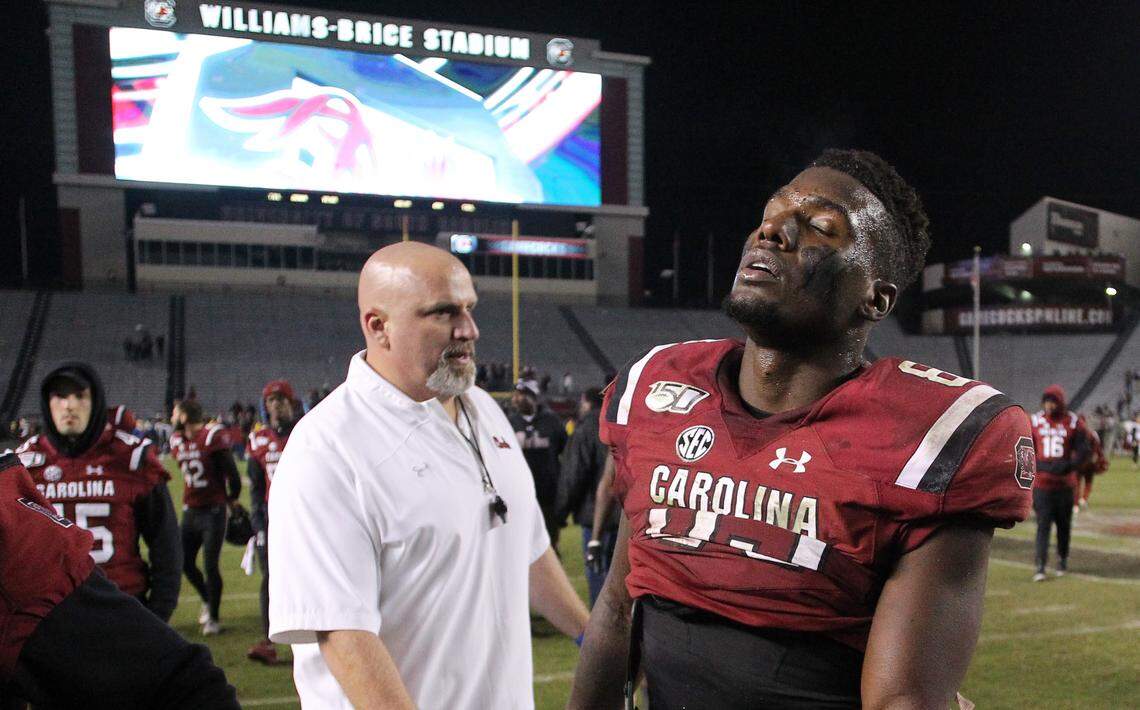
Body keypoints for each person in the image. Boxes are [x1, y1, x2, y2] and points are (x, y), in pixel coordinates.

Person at [569, 149, 1035, 709]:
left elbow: (902, 700)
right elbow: (619, 612)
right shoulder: (659, 387)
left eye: (820, 227)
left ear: (875, 297)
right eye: (770, 214)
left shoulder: (929, 438)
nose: (772, 231)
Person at [269, 242, 589, 708]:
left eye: (469, 309)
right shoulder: (328, 448)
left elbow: (527, 547)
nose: (470, 330)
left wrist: (595, 639)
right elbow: (344, 635)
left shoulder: (483, 409)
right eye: (443, 314)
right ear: (378, 326)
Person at [0, 451, 240, 708]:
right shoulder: (35, 455)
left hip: (100, 608)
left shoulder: (129, 455)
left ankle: (211, 611)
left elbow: (187, 686)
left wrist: (160, 608)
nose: (68, 407)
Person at [16, 363, 181, 622]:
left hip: (119, 610)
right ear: (47, 403)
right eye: (60, 396)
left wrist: (157, 614)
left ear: (95, 402)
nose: (69, 405)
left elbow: (166, 545)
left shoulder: (131, 457)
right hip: (48, 620)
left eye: (79, 396)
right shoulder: (24, 466)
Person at [170, 399, 242, 635]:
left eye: (175, 413)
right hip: (190, 510)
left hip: (213, 510)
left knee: (210, 565)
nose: (172, 417)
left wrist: (233, 498)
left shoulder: (211, 436)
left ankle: (214, 618)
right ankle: (207, 599)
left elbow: (232, 473)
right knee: (185, 562)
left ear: (184, 417)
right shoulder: (177, 440)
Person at [246, 379, 299, 665]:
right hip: (272, 518)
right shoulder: (258, 440)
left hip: (305, 515)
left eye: (280, 398)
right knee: (271, 577)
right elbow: (255, 488)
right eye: (270, 400)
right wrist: (257, 524)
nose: (276, 404)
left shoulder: (308, 431)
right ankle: (269, 640)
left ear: (291, 401)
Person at [557, 387, 619, 605]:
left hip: (596, 518)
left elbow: (575, 475)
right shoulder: (626, 425)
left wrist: (561, 512)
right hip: (629, 519)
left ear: (586, 401)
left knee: (600, 587)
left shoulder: (587, 429)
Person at [1029, 385, 1092, 581]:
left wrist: (1068, 465)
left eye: (1052, 401)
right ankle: (1040, 565)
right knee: (1043, 525)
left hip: (1065, 486)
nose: (1049, 405)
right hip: (1042, 485)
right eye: (1046, 401)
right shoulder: (1035, 421)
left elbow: (1084, 450)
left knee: (1064, 526)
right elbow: (1027, 447)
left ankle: (1062, 559)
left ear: (1060, 402)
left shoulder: (1073, 422)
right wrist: (1040, 465)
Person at [508, 379, 568, 548]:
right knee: (520, 540)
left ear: (532, 397)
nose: (516, 399)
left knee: (550, 540)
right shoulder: (510, 422)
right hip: (519, 490)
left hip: (547, 490)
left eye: (521, 395)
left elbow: (566, 451)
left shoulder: (552, 421)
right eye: (516, 395)